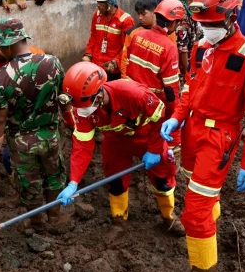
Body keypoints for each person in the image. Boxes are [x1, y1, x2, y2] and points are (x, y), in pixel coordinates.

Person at [160, 0, 245, 272]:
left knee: (193, 215)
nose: (206, 30)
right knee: (196, 188)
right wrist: (178, 117)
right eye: (202, 23)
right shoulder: (199, 47)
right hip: (191, 131)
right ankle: (210, 217)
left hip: (218, 137)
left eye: (212, 23)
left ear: (232, 17)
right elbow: (188, 88)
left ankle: (203, 269)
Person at [57, 62, 182, 237]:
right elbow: (82, 145)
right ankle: (119, 221)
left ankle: (169, 217)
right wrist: (74, 182)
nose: (83, 112)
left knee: (162, 180)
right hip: (116, 143)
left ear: (99, 94)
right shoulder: (84, 109)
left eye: (85, 106)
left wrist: (154, 149)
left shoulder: (133, 93)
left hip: (147, 139)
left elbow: (159, 116)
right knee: (115, 183)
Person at [0, 19, 66, 232]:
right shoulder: (52, 62)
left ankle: (36, 223)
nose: (0, 50)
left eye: (1, 45)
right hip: (50, 135)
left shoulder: (2, 76)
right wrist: (69, 121)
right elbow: (63, 97)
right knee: (54, 176)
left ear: (9, 44)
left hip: (21, 142)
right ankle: (55, 218)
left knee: (29, 183)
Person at [126, 0, 183, 132]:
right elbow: (171, 90)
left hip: (131, 97)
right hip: (152, 103)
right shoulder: (169, 47)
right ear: (173, 23)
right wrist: (175, 116)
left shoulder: (137, 36)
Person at [83, 0, 134, 81]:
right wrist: (88, 55)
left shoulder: (126, 20)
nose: (98, 5)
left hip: (113, 71)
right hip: (96, 67)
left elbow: (127, 48)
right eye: (97, 2)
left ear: (110, 2)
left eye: (101, 2)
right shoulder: (97, 15)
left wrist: (115, 62)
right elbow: (93, 37)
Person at [120, 0, 159, 78]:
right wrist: (124, 80)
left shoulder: (167, 31)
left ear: (154, 12)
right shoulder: (132, 33)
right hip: (137, 80)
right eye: (138, 14)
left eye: (143, 14)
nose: (140, 18)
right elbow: (125, 59)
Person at [177, 0, 203, 76]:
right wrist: (188, 73)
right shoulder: (184, 18)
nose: (191, 2)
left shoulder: (196, 14)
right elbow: (182, 50)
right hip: (184, 65)